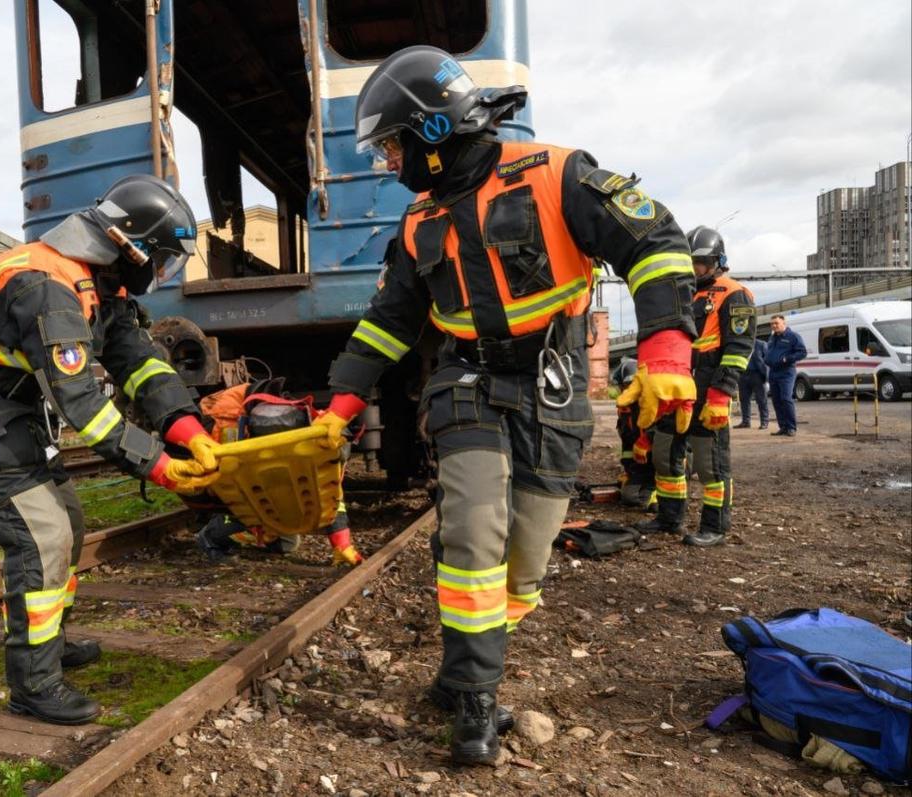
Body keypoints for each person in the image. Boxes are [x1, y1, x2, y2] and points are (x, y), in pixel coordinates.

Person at [312, 46, 697, 765]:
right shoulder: (417, 225)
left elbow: (656, 244)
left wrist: (667, 351)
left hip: (552, 388)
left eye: (394, 144)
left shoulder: (557, 173)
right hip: (467, 384)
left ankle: (464, 661)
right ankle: (474, 701)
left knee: (525, 562)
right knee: (473, 532)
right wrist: (339, 405)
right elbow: (388, 321)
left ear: (433, 132)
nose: (388, 162)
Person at [0, 175, 220, 726]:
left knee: (69, 522)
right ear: (131, 247)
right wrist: (160, 466)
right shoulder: (48, 287)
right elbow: (84, 407)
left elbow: (140, 362)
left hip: (8, 400)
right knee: (41, 534)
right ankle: (33, 684)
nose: (163, 273)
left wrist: (186, 426)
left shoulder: (102, 284)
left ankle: (49, 641)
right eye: (163, 259)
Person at [638, 226, 755, 547]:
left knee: (709, 464)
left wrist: (721, 394)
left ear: (718, 260)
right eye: (691, 262)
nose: (695, 268)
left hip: (708, 392)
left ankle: (714, 526)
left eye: (701, 262)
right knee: (664, 455)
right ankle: (669, 516)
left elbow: (739, 349)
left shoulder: (734, 294)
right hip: (676, 391)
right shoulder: (682, 294)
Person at [190, 381, 363, 566]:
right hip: (220, 469)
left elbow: (330, 495)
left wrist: (342, 544)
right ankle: (211, 536)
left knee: (286, 544)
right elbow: (225, 486)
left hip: (254, 459)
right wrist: (258, 521)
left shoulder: (319, 440)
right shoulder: (225, 427)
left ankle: (258, 527)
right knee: (242, 508)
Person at [611, 358, 655, 509]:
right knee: (629, 497)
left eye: (627, 386)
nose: (624, 391)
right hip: (641, 466)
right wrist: (629, 472)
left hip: (661, 464)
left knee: (645, 501)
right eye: (623, 387)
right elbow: (628, 446)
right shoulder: (625, 410)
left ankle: (657, 492)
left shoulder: (652, 404)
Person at [764, 315, 806, 436]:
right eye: (772, 324)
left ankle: (791, 427)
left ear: (784, 323)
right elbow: (769, 352)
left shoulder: (792, 336)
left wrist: (787, 359)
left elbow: (802, 352)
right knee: (776, 400)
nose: (774, 326)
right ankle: (783, 427)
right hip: (773, 372)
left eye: (776, 323)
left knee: (786, 398)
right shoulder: (772, 338)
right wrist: (766, 359)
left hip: (786, 372)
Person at [736, 338, 770, 429]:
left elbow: (767, 361)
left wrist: (766, 378)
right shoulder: (740, 344)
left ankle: (764, 421)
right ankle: (745, 421)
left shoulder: (761, 344)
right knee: (744, 399)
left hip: (757, 375)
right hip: (743, 374)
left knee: (761, 399)